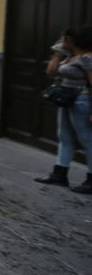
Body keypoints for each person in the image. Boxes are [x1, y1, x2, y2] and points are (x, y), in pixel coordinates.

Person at [34, 26, 92, 194]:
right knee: (64, 137)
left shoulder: (88, 58)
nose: (62, 40)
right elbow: (51, 71)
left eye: (65, 38)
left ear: (73, 40)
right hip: (67, 100)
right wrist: (58, 52)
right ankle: (59, 174)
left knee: (87, 139)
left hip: (82, 101)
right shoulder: (71, 57)